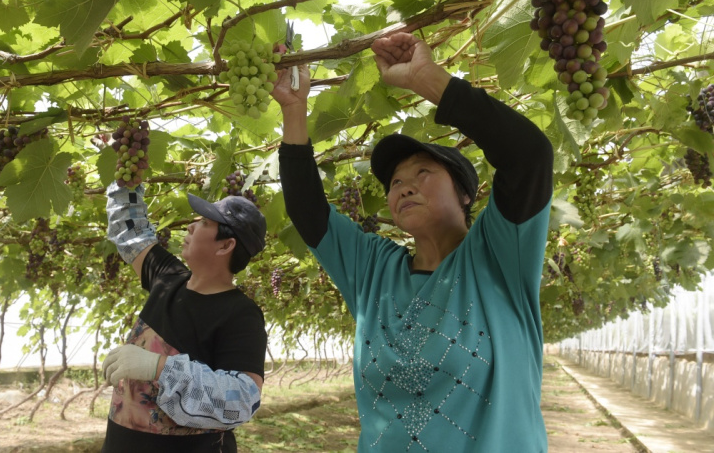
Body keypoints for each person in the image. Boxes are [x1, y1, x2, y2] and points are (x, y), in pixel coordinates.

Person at [272, 32, 554, 452]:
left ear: (465, 193)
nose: (404, 187)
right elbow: (310, 213)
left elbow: (529, 156)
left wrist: (429, 80)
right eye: (396, 182)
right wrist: (294, 110)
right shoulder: (374, 271)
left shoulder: (498, 256)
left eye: (423, 173)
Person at [100, 182, 268, 452]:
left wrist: (161, 368)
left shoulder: (242, 315)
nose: (190, 226)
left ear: (226, 245)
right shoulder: (167, 278)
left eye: (203, 223)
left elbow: (242, 400)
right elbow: (130, 234)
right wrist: (125, 180)